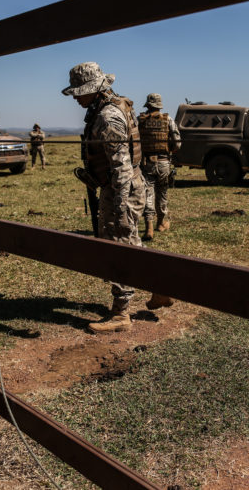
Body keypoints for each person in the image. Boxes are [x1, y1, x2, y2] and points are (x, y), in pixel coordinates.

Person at [62, 62, 174, 333]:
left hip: (121, 188)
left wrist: (120, 206)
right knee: (131, 242)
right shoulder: (106, 108)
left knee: (120, 245)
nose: (76, 97)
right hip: (120, 186)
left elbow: (121, 167)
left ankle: (121, 314)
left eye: (80, 91)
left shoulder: (107, 117)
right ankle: (160, 288)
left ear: (95, 90)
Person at [138, 93, 181, 241]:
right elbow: (177, 142)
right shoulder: (168, 119)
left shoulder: (140, 120)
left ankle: (149, 225)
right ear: (159, 105)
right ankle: (161, 223)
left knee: (147, 193)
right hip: (163, 163)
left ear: (148, 105)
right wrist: (170, 151)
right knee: (162, 193)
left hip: (146, 163)